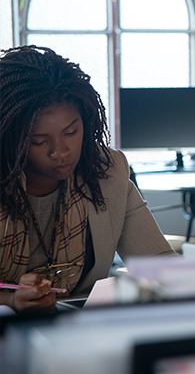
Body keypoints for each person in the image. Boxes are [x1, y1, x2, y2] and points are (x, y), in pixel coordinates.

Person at [0, 45, 176, 313]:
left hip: (83, 331)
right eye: (38, 141)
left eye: (71, 132)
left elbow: (158, 263)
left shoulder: (107, 172)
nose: (60, 152)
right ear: (10, 138)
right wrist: (11, 301)